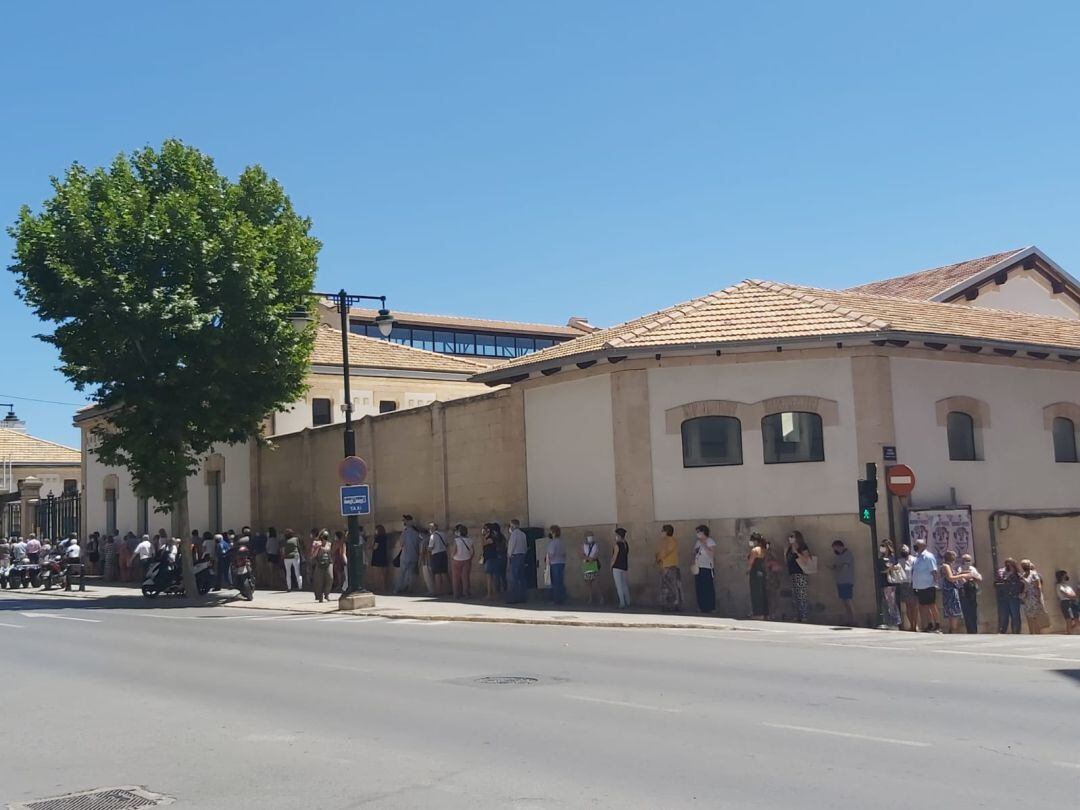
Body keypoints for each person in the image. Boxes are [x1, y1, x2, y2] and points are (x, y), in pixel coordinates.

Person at [910, 539, 940, 632]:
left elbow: (934, 571)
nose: (915, 546)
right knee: (923, 606)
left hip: (928, 585)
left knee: (931, 605)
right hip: (919, 586)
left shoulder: (928, 557)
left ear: (923, 546)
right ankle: (930, 624)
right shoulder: (917, 557)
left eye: (917, 545)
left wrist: (936, 583)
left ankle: (937, 624)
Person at [785, 531, 813, 622]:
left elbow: (806, 559)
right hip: (792, 573)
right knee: (794, 596)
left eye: (792, 536)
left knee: (802, 595)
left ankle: (804, 616)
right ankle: (797, 615)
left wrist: (797, 552)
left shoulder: (802, 547)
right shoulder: (789, 548)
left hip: (800, 573)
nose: (790, 538)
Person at [655, 524, 683, 612]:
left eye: (662, 531)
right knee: (666, 587)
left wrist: (658, 558)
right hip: (665, 565)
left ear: (666, 532)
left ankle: (674, 605)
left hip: (670, 566)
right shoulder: (664, 541)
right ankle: (667, 605)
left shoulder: (670, 541)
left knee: (671, 587)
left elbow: (665, 552)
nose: (661, 532)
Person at [827, 539, 856, 626]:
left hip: (846, 580)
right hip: (840, 580)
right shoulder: (839, 556)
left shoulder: (847, 554)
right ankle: (848, 619)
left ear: (840, 546)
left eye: (836, 548)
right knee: (844, 601)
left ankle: (853, 619)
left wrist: (837, 568)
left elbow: (844, 567)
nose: (835, 550)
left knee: (848, 600)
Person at [994, 558, 1024, 634]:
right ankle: (1002, 631)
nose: (1009, 565)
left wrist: (1020, 592)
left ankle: (1016, 632)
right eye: (1008, 563)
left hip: (1014, 597)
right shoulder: (1001, 571)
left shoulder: (1017, 573)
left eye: (1011, 564)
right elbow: (996, 583)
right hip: (1004, 597)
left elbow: (1021, 583)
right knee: (1004, 616)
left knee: (1015, 616)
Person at [939, 551, 966, 634]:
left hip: (951, 589)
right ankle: (953, 630)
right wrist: (962, 576)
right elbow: (950, 578)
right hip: (950, 590)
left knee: (953, 611)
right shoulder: (946, 566)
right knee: (953, 610)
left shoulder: (949, 566)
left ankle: (952, 629)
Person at [394, 516, 422, 594]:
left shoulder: (404, 532)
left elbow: (401, 543)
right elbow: (419, 544)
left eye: (405, 520)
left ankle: (398, 589)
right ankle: (410, 588)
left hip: (405, 556)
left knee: (401, 574)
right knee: (411, 574)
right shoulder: (417, 533)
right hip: (414, 556)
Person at [693, 525, 717, 614]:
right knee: (699, 587)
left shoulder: (710, 541)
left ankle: (710, 607)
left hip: (707, 567)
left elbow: (711, 554)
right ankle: (701, 607)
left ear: (703, 532)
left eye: (699, 532)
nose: (697, 534)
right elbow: (695, 552)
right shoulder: (697, 542)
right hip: (698, 566)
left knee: (708, 587)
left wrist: (704, 544)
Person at [1020, 559, 1048, 634]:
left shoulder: (1034, 574)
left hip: (1035, 597)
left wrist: (1039, 598)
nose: (1024, 567)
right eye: (1023, 565)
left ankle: (1038, 634)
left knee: (1036, 616)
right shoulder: (1023, 575)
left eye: (1025, 565)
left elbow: (1038, 586)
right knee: (1029, 616)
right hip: (1027, 598)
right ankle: (1031, 633)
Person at [878, 540, 901, 629]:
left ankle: (895, 622)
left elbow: (895, 567)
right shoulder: (882, 558)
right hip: (883, 582)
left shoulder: (892, 558)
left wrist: (890, 568)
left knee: (891, 602)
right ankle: (888, 622)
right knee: (886, 602)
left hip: (890, 582)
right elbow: (882, 569)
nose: (882, 548)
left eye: (884, 546)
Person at [957, 553, 983, 634]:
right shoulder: (959, 568)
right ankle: (970, 631)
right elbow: (958, 578)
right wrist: (964, 574)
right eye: (966, 560)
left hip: (972, 591)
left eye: (969, 560)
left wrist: (972, 576)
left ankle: (974, 630)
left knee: (973, 612)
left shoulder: (972, 569)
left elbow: (980, 578)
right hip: (964, 592)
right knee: (966, 612)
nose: (967, 562)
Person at [505, 518, 528, 604]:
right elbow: (525, 547)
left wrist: (509, 556)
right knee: (521, 578)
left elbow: (511, 546)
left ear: (513, 525)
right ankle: (522, 597)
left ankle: (513, 598)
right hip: (522, 555)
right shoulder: (523, 534)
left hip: (515, 556)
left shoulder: (514, 534)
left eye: (510, 525)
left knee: (513, 577)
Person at [747, 533, 768, 620]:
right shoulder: (763, 549)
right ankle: (764, 613)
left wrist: (747, 570)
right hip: (761, 571)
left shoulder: (755, 550)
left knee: (755, 593)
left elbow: (750, 562)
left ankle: (758, 613)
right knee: (762, 593)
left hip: (755, 572)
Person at [545, 525, 567, 605]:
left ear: (553, 533)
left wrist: (547, 560)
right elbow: (564, 554)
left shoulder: (553, 543)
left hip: (554, 563)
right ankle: (561, 598)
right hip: (561, 563)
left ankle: (556, 600)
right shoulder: (562, 542)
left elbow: (551, 554)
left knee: (555, 582)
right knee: (560, 582)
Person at [451, 524, 474, 599]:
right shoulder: (470, 540)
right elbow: (473, 551)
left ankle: (456, 594)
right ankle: (466, 593)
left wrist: (452, 556)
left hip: (457, 560)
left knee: (456, 578)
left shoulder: (456, 540)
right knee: (465, 578)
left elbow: (454, 551)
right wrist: (470, 558)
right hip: (466, 559)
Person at [427, 522, 450, 597]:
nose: (429, 529)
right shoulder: (443, 534)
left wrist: (427, 549)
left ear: (433, 528)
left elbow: (430, 547)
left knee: (437, 573)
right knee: (444, 572)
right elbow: (447, 544)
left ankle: (438, 591)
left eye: (430, 528)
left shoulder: (432, 536)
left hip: (436, 555)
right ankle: (447, 590)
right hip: (443, 553)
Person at [310, 530, 333, 602]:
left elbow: (330, 554)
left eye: (326, 537)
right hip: (319, 563)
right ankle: (320, 596)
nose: (325, 539)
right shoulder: (316, 543)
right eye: (324, 537)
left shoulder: (329, 544)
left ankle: (327, 594)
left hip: (328, 562)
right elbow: (312, 555)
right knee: (319, 581)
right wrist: (318, 547)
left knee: (330, 578)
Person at [611, 528, 631, 609]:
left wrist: (611, 565)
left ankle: (622, 602)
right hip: (624, 566)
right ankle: (628, 601)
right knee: (624, 585)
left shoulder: (617, 545)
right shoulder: (626, 544)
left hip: (617, 567)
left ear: (618, 535)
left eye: (616, 535)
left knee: (619, 585)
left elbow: (614, 557)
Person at [1055, 570, 1079, 634]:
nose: (1067, 576)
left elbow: (1073, 594)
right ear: (1061, 576)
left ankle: (1070, 631)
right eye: (1065, 575)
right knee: (1069, 620)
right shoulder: (1059, 585)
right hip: (1065, 603)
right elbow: (1066, 594)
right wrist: (1072, 596)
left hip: (1073, 603)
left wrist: (1073, 596)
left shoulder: (1068, 586)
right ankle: (1069, 634)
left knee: (1076, 620)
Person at [582, 532, 602, 605]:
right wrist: (587, 558)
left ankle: (601, 597)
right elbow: (582, 554)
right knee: (588, 582)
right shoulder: (584, 545)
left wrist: (592, 558)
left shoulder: (595, 545)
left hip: (593, 563)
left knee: (596, 582)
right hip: (587, 563)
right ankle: (590, 598)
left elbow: (596, 554)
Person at [370, 524, 390, 592]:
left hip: (378, 556)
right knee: (384, 573)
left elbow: (375, 547)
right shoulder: (385, 537)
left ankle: (380, 587)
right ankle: (384, 587)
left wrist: (370, 547)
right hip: (384, 555)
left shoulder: (378, 538)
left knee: (379, 573)